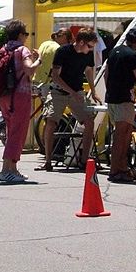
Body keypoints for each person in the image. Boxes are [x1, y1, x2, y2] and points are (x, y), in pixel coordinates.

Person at [37, 27, 100, 172]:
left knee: (89, 122)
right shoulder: (63, 51)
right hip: (59, 91)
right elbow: (55, 76)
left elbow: (89, 71)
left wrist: (93, 90)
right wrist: (71, 92)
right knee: (51, 122)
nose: (90, 50)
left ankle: (84, 160)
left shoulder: (87, 54)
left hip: (76, 92)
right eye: (89, 46)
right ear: (81, 42)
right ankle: (47, 160)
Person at [0, 20, 41, 183]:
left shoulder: (2, 49)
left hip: (4, 95)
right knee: (17, 132)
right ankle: (6, 169)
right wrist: (39, 60)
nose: (26, 37)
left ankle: (12, 169)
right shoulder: (22, 50)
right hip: (20, 96)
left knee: (10, 130)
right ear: (20, 34)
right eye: (25, 34)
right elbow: (29, 70)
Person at [105, 26, 136, 183]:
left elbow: (106, 74)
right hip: (124, 99)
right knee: (122, 136)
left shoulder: (114, 51)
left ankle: (121, 167)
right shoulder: (133, 56)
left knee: (121, 134)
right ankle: (116, 170)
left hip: (112, 97)